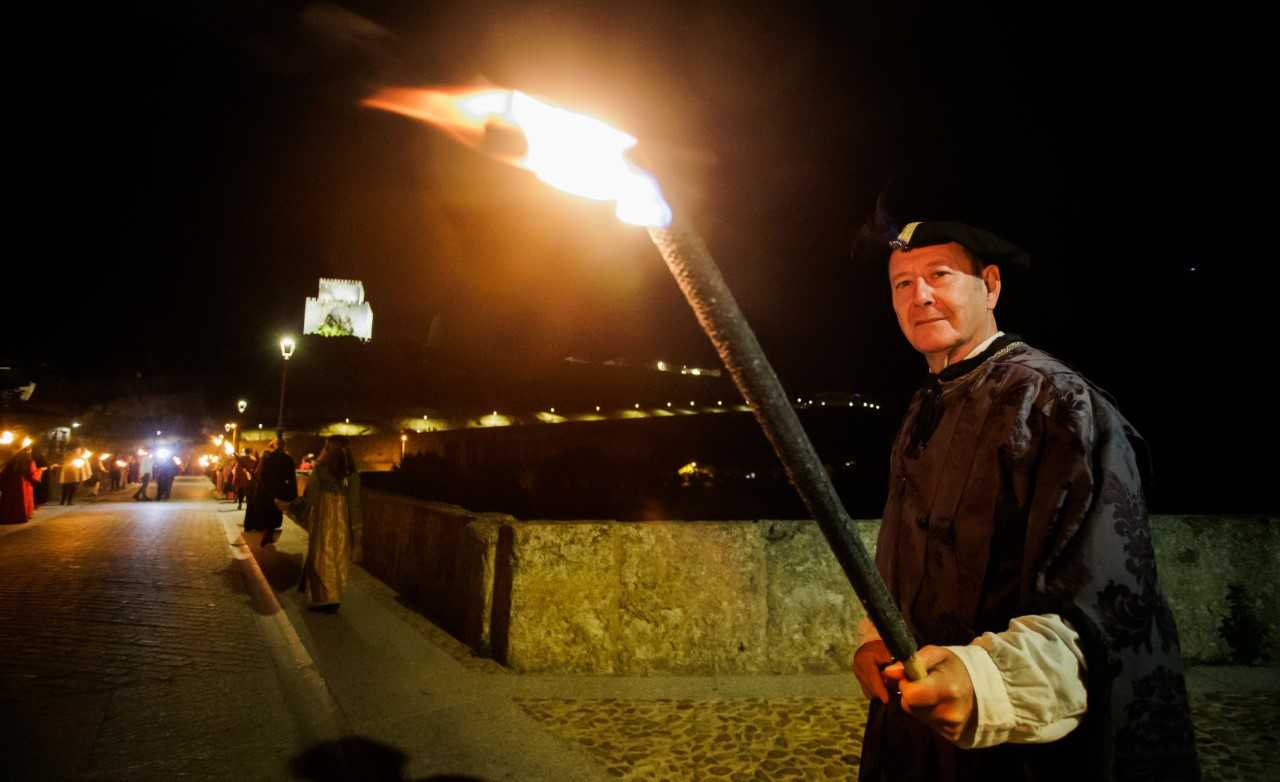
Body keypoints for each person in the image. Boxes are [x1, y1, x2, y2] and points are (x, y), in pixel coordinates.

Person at [851, 220, 1198, 781]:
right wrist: (877, 638)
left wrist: (982, 682)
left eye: (939, 274)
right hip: (920, 728)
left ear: (989, 286)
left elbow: (1105, 601)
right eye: (901, 283)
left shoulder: (1058, 404)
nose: (919, 295)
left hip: (1021, 753)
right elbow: (908, 552)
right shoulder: (926, 405)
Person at [278, 436, 362, 611]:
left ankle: (324, 597)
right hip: (343, 519)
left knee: (321, 554)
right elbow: (354, 503)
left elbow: (309, 498)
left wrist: (288, 506)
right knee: (338, 556)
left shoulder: (320, 469)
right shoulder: (351, 473)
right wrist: (357, 534)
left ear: (328, 449)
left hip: (323, 517)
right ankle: (334, 596)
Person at [244, 435, 297, 546]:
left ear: (275, 445)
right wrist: (291, 491)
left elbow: (262, 473)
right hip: (280, 489)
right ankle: (270, 532)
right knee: (275, 511)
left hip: (267, 488)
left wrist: (260, 486)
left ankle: (268, 533)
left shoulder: (268, 457)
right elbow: (291, 477)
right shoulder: (288, 458)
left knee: (269, 510)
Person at [1, 445, 45, 524]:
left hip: (10, 483)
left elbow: (4, 473)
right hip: (23, 484)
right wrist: (40, 470)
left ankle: (6, 517)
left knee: (9, 500)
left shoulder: (12, 460)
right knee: (21, 499)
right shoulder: (29, 461)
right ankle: (19, 516)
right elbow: (32, 474)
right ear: (28, 451)